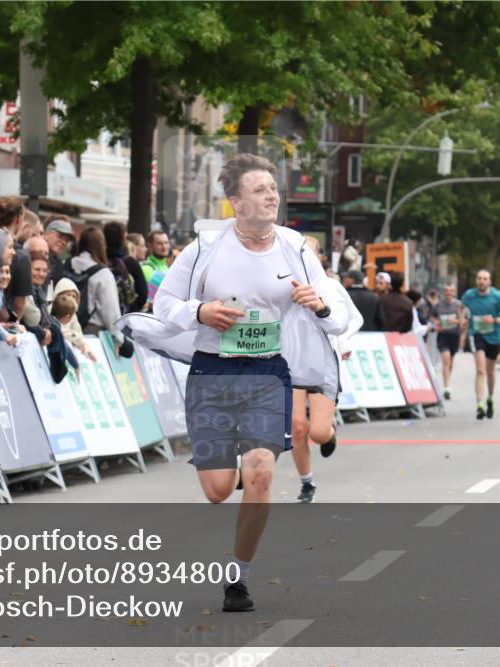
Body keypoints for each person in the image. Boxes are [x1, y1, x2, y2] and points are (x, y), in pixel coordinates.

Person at [120, 153, 348, 613]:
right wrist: (200, 312)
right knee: (219, 489)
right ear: (235, 204)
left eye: (273, 188)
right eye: (259, 189)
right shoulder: (204, 249)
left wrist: (319, 306)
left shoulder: (296, 249)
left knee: (261, 473)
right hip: (213, 373)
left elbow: (337, 313)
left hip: (268, 372)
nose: (271, 195)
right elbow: (164, 305)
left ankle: (237, 578)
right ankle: (237, 469)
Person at [291, 236, 363, 503]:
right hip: (290, 363)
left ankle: (329, 433)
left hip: (322, 363)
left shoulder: (330, 285)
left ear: (318, 257)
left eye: (307, 253)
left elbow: (354, 319)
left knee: (317, 432)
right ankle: (307, 482)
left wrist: (342, 342)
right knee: (297, 427)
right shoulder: (280, 284)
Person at [65, 226, 127, 354]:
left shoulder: (67, 264)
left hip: (66, 328)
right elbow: (110, 310)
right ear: (101, 245)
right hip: (93, 334)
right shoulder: (103, 273)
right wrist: (118, 338)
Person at [460, 269, 500, 420]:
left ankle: (490, 398)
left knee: (490, 371)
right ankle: (479, 404)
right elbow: (461, 307)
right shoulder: (469, 295)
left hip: (494, 336)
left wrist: (494, 320)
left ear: (489, 281)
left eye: (485, 279)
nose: (482, 281)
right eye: (479, 278)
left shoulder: (497, 296)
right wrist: (462, 319)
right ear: (476, 280)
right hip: (476, 334)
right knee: (480, 369)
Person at [104, 221, 148, 313]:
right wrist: (132, 309)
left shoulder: (100, 260)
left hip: (103, 314)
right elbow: (143, 294)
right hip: (125, 314)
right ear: (124, 238)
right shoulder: (130, 262)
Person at [7, 207, 42, 323]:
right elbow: (20, 303)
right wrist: (13, 323)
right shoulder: (22, 256)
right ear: (26, 227)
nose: (36, 239)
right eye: (34, 234)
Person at [50, 277, 97, 360]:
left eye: (74, 296)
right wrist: (74, 336)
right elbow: (61, 332)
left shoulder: (73, 316)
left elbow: (79, 335)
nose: (71, 299)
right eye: (68, 295)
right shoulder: (50, 310)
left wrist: (86, 349)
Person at [431, 284, 462, 400]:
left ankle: (448, 380)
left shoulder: (459, 305)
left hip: (454, 335)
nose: (448, 293)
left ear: (454, 293)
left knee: (450, 362)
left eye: (451, 291)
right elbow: (433, 318)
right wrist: (437, 323)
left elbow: (464, 321)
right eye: (446, 291)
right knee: (446, 359)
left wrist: (456, 321)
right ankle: (447, 387)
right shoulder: (438, 305)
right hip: (443, 335)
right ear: (444, 293)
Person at [43, 215, 75, 285]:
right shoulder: (31, 253)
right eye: (60, 236)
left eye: (67, 239)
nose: (64, 242)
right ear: (46, 234)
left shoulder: (58, 264)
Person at [141, 230, 171, 304]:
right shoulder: (146, 267)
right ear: (150, 246)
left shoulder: (166, 266)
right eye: (159, 244)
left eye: (166, 243)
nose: (164, 247)